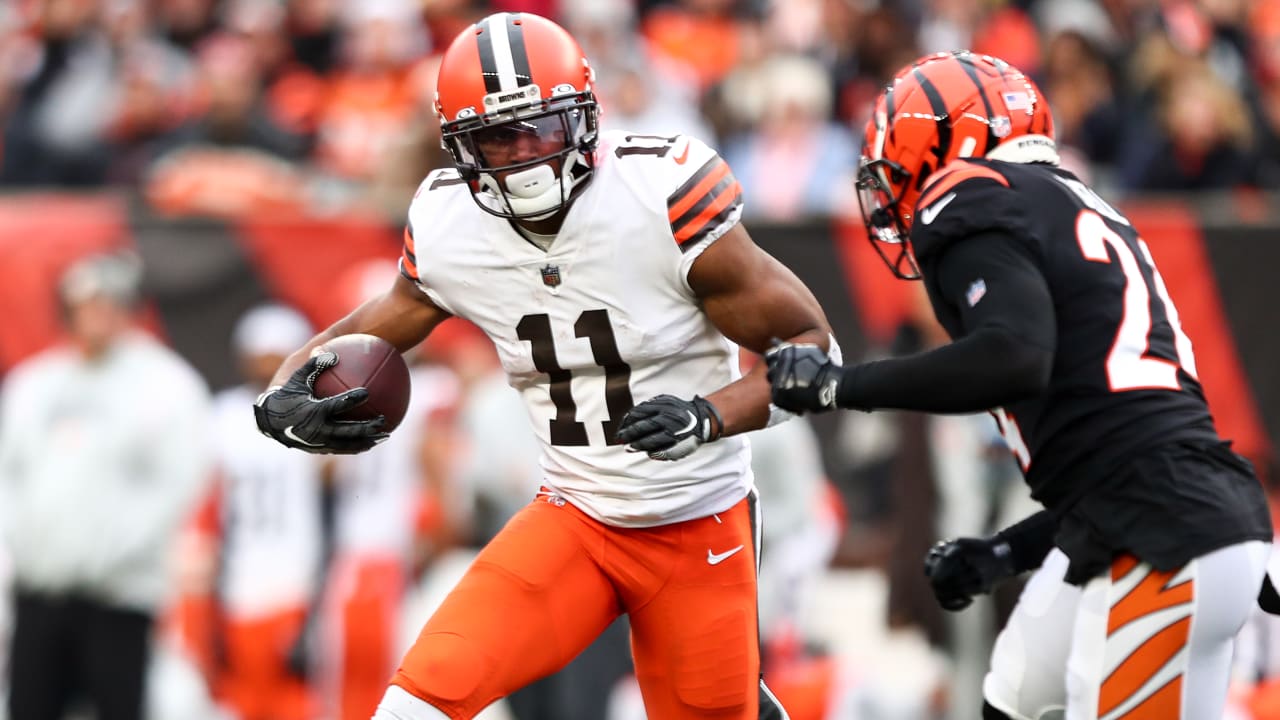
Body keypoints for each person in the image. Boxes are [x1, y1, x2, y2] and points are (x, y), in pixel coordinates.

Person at [252, 12, 835, 720]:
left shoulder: (657, 194)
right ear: (461, 148)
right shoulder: (450, 228)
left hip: (697, 522)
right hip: (576, 517)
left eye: (542, 128)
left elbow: (813, 352)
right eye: (497, 137)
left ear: (585, 117)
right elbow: (369, 327)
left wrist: (708, 416)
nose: (525, 153)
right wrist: (283, 392)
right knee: (412, 708)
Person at [765, 50, 1273, 719]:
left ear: (957, 139)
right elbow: (1108, 448)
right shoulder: (1068, 205)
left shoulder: (971, 195)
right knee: (1015, 698)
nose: (892, 188)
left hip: (1162, 536)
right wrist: (1005, 552)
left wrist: (839, 385)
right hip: (1141, 514)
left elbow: (1013, 357)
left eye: (900, 157)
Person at [0, 251, 214, 720]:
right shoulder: (35, 383)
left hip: (119, 592)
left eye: (109, 302)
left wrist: (108, 552)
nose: (98, 314)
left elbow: (178, 481)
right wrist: (29, 550)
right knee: (29, 706)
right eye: (87, 303)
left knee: (119, 707)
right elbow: (9, 477)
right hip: (40, 589)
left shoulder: (164, 385)